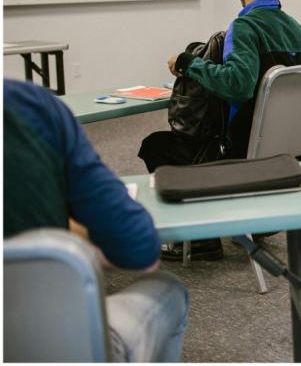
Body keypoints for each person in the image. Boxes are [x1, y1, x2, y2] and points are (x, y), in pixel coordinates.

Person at [139, 0, 301, 260]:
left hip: (247, 157)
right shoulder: (299, 31)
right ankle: (257, 218)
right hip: (292, 156)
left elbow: (238, 84)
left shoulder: (245, 27)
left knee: (157, 145)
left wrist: (188, 63)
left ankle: (202, 239)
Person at [4, 79, 189, 362]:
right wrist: (66, 230)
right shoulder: (27, 106)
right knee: (170, 289)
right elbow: (139, 250)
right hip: (53, 346)